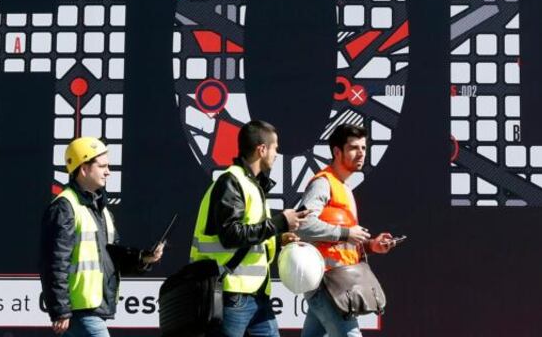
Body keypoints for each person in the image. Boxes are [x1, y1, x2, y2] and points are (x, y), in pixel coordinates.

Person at [190, 120, 307, 337]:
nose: (276, 154)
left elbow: (250, 234)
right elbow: (231, 235)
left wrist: (278, 240)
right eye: (275, 148)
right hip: (232, 293)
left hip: (256, 293)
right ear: (262, 150)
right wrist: (280, 222)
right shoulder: (231, 182)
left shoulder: (250, 184)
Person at [40, 137, 165, 336]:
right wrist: (60, 310)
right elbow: (54, 262)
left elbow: (111, 256)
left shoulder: (101, 209)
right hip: (79, 310)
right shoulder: (65, 206)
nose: (108, 172)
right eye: (102, 166)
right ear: (83, 169)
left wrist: (143, 258)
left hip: (90, 309)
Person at [297, 124, 399, 337]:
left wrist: (371, 245)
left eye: (363, 147)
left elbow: (343, 243)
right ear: (337, 151)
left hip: (335, 284)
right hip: (327, 285)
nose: (361, 153)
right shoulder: (323, 183)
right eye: (353, 148)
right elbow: (303, 225)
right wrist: (346, 233)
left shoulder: (344, 188)